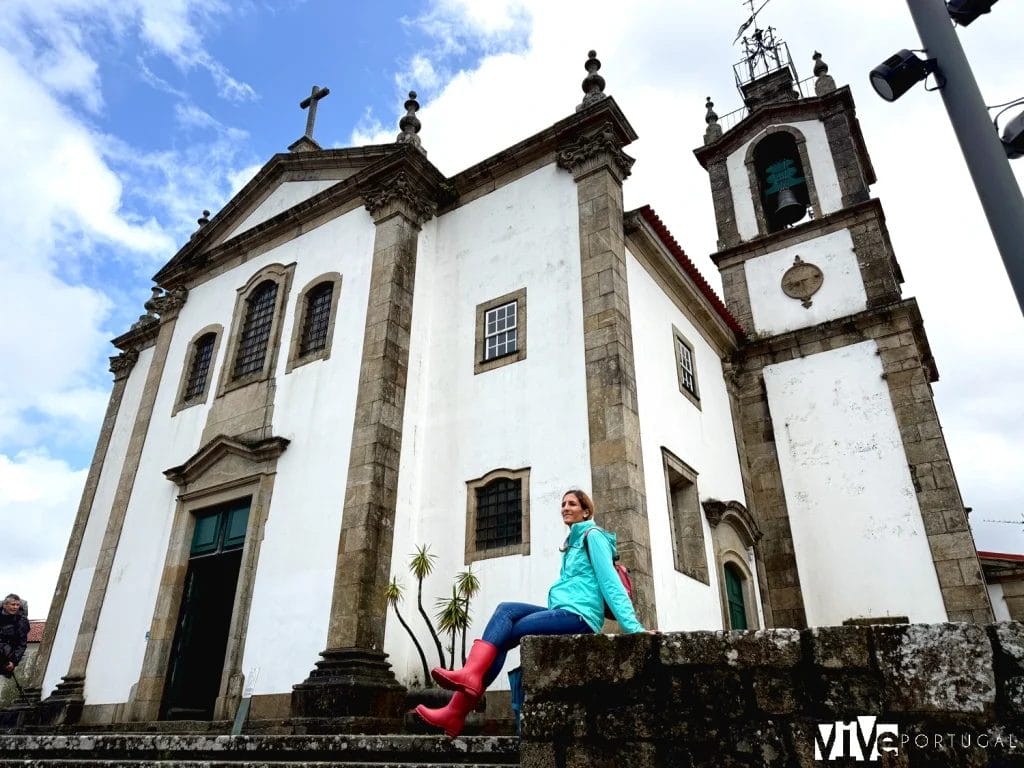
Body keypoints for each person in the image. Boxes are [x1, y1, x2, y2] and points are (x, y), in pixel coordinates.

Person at [415, 489, 646, 737]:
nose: (565, 508)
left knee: (506, 634)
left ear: (586, 511)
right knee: (506, 610)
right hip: (563, 612)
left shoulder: (594, 536)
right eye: (563, 504)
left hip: (580, 617)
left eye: (572, 504)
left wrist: (633, 628)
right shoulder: (572, 543)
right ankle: (466, 685)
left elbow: (610, 583)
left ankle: (457, 708)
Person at [0, 593, 29, 679]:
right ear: (5, 605)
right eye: (13, 604)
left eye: (17, 605)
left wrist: (13, 662)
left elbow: (22, 645)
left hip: (7, 655)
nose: (15, 607)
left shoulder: (21, 622)